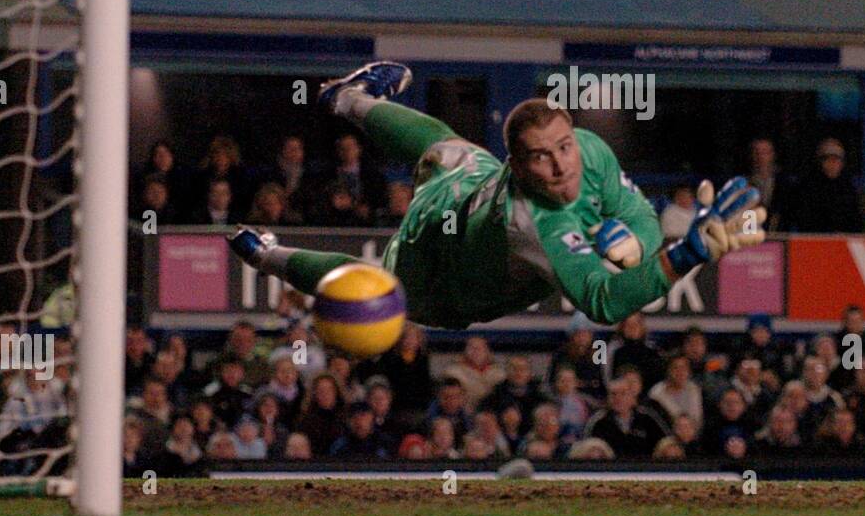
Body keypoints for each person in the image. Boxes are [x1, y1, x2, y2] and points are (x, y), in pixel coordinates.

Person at [230, 60, 767, 329]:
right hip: (436, 274)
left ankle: (345, 99)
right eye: (541, 156)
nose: (560, 164)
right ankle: (268, 255)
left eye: (564, 146)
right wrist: (686, 254)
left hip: (462, 185)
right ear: (518, 163)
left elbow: (636, 215)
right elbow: (604, 304)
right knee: (373, 293)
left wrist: (649, 247)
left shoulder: (590, 151)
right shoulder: (535, 226)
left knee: (444, 147)